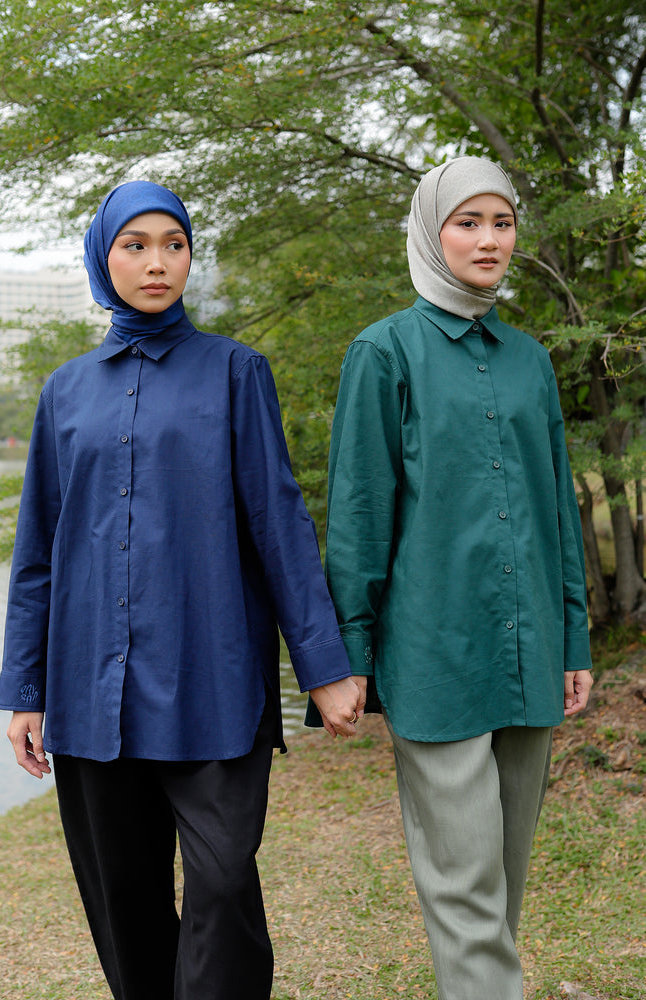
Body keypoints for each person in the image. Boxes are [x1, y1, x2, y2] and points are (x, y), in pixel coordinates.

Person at [0, 180, 361, 1000]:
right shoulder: (64, 392)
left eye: (174, 244)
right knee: (123, 900)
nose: (157, 262)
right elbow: (37, 553)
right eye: (135, 245)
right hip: (92, 691)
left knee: (223, 881)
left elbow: (278, 523)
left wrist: (324, 666)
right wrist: (26, 690)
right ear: (103, 257)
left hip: (212, 679)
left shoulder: (236, 372)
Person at [322, 156, 593, 1000]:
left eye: (500, 223)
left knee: (502, 880)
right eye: (466, 223)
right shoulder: (383, 352)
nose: (487, 240)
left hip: (528, 649)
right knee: (466, 884)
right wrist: (347, 658)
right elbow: (358, 514)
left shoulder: (529, 361)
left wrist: (572, 637)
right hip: (433, 655)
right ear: (428, 232)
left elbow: (556, 509)